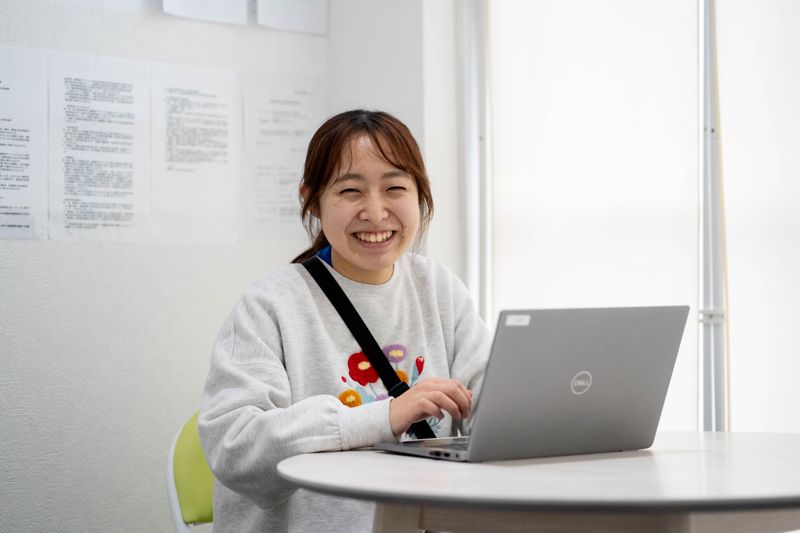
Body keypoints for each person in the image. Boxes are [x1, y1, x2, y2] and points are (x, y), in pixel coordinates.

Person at [198, 109, 491, 533]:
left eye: (394, 188)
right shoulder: (270, 304)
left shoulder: (439, 288)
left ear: (419, 193)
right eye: (351, 191)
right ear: (312, 199)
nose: (375, 212)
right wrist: (383, 416)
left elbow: (491, 408)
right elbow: (234, 448)